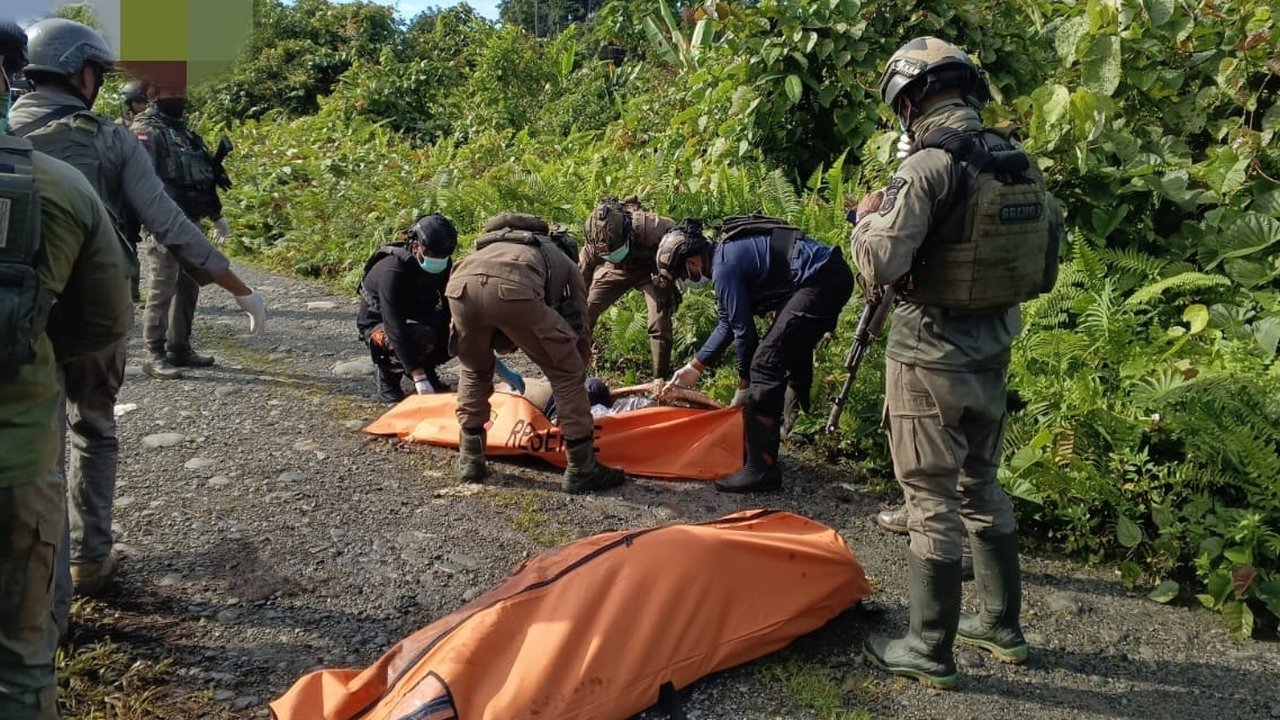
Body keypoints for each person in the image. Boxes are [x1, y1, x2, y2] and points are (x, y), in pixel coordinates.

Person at [9, 18, 266, 612]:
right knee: (94, 430)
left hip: (18, 313)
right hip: (96, 312)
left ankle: (46, 594)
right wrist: (238, 287)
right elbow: (168, 223)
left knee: (37, 447)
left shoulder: (8, 130)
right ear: (82, 73)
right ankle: (90, 557)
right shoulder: (112, 139)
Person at [851, 37, 1062, 689]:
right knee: (982, 484)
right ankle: (1001, 625)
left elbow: (882, 261)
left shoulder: (928, 168)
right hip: (992, 352)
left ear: (909, 99)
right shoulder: (1016, 162)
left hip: (928, 357)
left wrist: (863, 222)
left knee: (929, 497)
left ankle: (928, 647)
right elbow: (1047, 266)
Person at [0, 20, 133, 718]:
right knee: (22, 663)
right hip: (16, 444)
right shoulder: (62, 180)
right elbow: (106, 318)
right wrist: (41, 350)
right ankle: (85, 574)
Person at [657, 216, 854, 493]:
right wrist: (695, 366)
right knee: (786, 345)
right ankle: (796, 426)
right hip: (826, 274)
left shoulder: (724, 268)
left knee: (765, 364)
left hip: (820, 280)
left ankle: (761, 470)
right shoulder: (724, 256)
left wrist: (744, 386)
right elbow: (727, 323)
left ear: (692, 261)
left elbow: (745, 334)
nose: (688, 280)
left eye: (684, 274)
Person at [446, 212, 627, 494]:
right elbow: (581, 320)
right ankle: (582, 468)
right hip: (513, 290)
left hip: (459, 287)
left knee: (474, 369)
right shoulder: (561, 259)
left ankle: (470, 458)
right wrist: (576, 364)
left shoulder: (492, 245)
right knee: (567, 372)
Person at [131, 77, 236, 376]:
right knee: (162, 288)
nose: (179, 96)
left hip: (191, 222)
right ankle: (153, 353)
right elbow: (140, 180)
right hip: (164, 224)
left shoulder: (184, 133)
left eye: (182, 90)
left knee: (189, 286)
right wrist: (151, 222)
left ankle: (180, 347)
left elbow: (202, 176)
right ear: (153, 93)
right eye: (172, 90)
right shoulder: (145, 130)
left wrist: (216, 215)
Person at [356, 213, 458, 402]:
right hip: (380, 325)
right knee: (422, 336)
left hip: (417, 318)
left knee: (459, 332)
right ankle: (388, 376)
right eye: (433, 254)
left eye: (444, 255)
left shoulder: (443, 264)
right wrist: (418, 376)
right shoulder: (393, 270)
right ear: (416, 246)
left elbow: (449, 306)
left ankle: (427, 369)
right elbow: (394, 325)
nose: (439, 259)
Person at [579, 196, 677, 380]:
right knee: (584, 312)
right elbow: (581, 284)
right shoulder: (592, 247)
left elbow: (678, 243)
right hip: (616, 269)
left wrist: (668, 279)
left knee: (659, 321)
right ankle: (574, 372)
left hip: (650, 270)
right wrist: (577, 310)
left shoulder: (653, 228)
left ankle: (660, 379)